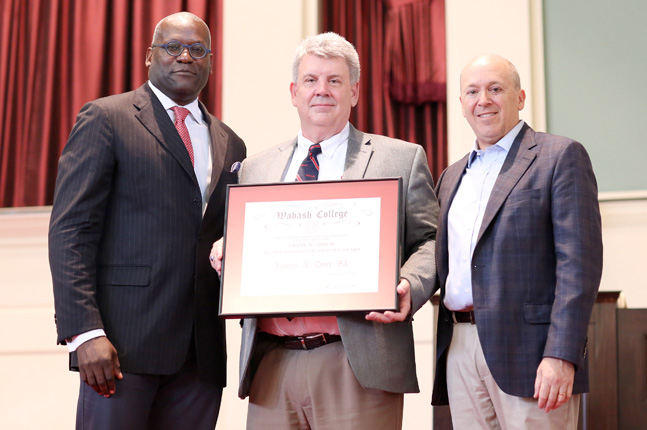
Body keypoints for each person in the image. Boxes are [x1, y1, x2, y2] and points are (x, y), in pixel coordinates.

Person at [209, 32, 438, 429]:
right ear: (294, 92)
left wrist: (410, 283)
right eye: (311, 80)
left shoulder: (400, 158)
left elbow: (431, 240)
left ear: (354, 92)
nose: (322, 90)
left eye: (335, 80)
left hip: (357, 361)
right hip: (271, 362)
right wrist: (229, 250)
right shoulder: (256, 168)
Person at [48, 12, 246, 430]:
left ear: (211, 62)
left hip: (201, 355)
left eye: (197, 49)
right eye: (173, 47)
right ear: (149, 56)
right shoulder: (106, 118)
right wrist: (85, 333)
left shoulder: (232, 143)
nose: (185, 57)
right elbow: (71, 230)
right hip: (121, 348)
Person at [431, 54, 603, 429]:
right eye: (472, 92)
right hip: (459, 346)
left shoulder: (560, 156)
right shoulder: (450, 176)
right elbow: (437, 259)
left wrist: (562, 354)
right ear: (461, 103)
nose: (483, 100)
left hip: (532, 352)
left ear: (520, 97)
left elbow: (579, 266)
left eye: (495, 89)